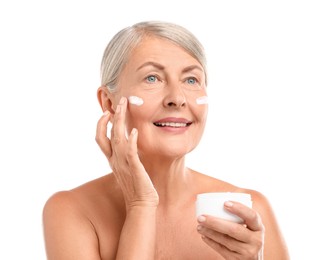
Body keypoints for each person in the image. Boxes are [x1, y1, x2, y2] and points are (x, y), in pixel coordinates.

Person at [42, 21, 289, 260]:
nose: (177, 98)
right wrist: (141, 206)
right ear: (108, 102)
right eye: (152, 78)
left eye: (191, 79)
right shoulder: (72, 211)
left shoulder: (248, 210)